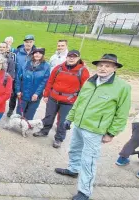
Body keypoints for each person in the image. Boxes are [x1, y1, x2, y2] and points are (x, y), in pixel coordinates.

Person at [55, 54, 131, 200]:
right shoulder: (90, 81)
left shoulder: (122, 87)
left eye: (107, 66)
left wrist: (111, 133)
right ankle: (72, 169)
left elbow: (122, 113)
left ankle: (84, 192)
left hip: (95, 130)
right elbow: (79, 102)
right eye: (101, 65)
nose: (103, 68)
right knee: (74, 149)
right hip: (79, 124)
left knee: (88, 161)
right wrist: (69, 118)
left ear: (115, 68)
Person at [34, 50, 90, 148]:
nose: (71, 58)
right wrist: (46, 94)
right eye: (69, 56)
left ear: (78, 58)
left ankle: (59, 138)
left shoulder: (83, 71)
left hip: (69, 101)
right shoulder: (59, 68)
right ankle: (44, 131)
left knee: (63, 121)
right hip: (53, 97)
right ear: (66, 57)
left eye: (74, 57)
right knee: (49, 116)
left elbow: (85, 88)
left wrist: (79, 101)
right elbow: (50, 81)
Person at [15, 48, 50, 120]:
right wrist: (18, 90)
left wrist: (37, 93)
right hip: (23, 93)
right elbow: (18, 77)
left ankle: (26, 127)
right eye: (36, 53)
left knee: (30, 113)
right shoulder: (26, 63)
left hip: (35, 95)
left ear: (42, 55)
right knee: (19, 113)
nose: (37, 55)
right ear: (33, 54)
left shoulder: (46, 66)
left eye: (40, 53)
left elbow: (44, 81)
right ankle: (17, 125)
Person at [7, 34, 36, 117]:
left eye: (30, 42)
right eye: (27, 42)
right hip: (16, 77)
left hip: (27, 79)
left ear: (33, 42)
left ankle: (20, 112)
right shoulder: (18, 52)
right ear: (24, 42)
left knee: (23, 96)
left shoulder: (35, 53)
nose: (28, 44)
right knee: (13, 95)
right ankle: (11, 109)